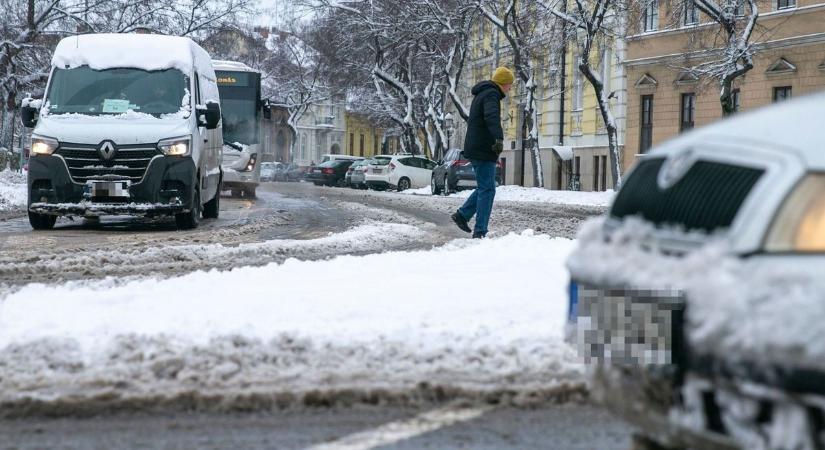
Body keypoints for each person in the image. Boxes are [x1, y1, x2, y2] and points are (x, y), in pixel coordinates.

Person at [451, 66, 514, 239]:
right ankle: (480, 231)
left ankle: (462, 215)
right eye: (509, 84)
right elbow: (491, 116)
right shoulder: (491, 94)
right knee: (488, 189)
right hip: (483, 148)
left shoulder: (484, 93)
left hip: (477, 147)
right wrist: (498, 139)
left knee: (485, 187)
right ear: (503, 83)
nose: (510, 88)